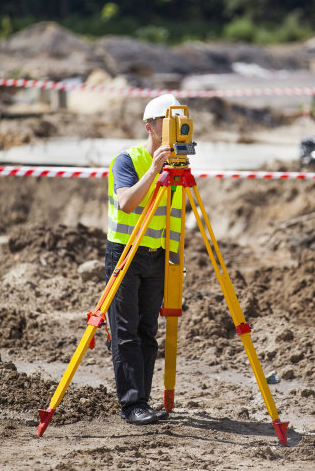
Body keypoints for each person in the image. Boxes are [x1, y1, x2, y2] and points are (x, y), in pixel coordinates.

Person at [105, 93, 182, 425]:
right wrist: (154, 170)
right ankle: (131, 405)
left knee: (148, 331)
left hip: (158, 256)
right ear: (152, 127)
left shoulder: (177, 166)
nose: (176, 129)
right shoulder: (127, 160)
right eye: (169, 123)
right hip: (125, 254)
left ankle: (144, 403)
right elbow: (126, 204)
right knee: (125, 331)